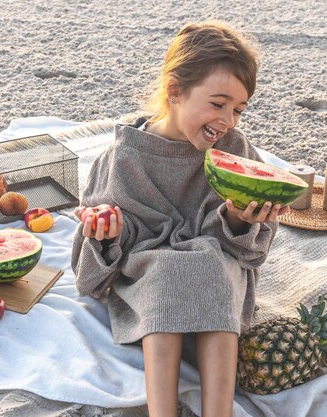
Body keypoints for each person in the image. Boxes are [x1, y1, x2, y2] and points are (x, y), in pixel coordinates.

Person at [71, 20, 289, 417]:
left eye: (239, 110)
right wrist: (108, 230)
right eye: (218, 103)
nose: (228, 121)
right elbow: (97, 256)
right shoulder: (124, 156)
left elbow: (250, 247)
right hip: (149, 267)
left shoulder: (235, 149)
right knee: (166, 272)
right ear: (174, 91)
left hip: (217, 263)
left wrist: (239, 218)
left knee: (210, 264)